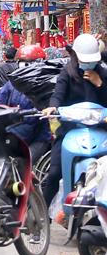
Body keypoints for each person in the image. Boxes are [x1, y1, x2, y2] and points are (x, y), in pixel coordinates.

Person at [41, 34, 107, 208]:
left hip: (100, 130)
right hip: (71, 131)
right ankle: (41, 216)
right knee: (55, 172)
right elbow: (58, 95)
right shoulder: (67, 73)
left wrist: (100, 84)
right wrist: (52, 107)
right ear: (76, 56)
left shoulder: (102, 73)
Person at [0, 44, 51, 163]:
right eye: (22, 63)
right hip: (13, 135)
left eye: (29, 63)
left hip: (38, 138)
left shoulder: (48, 85)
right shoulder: (11, 85)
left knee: (24, 164)